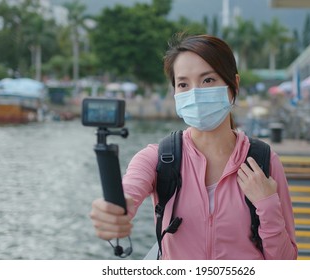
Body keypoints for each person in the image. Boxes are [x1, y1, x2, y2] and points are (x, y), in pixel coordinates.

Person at [90, 34, 298, 260]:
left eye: (208, 80)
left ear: (233, 84)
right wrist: (114, 212)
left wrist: (267, 203)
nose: (195, 93)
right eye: (183, 84)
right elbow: (128, 194)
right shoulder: (158, 157)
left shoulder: (263, 161)